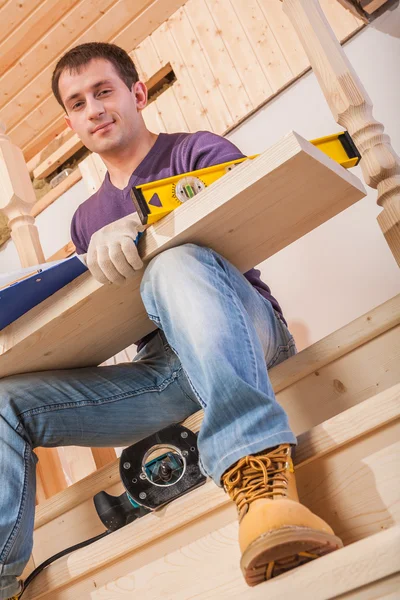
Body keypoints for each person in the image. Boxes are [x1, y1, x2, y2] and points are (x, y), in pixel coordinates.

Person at [0, 42, 342, 600]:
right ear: (71, 121)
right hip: (161, 371)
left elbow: (245, 229)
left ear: (136, 94)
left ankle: (261, 487)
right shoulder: (87, 219)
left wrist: (149, 228)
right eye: (78, 102)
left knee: (174, 263)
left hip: (246, 330)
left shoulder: (199, 150)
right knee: (3, 404)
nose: (94, 109)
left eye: (104, 91)